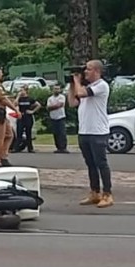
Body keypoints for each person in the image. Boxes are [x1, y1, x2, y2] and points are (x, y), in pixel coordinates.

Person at [68, 60, 113, 208]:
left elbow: (81, 94)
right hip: (85, 131)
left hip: (98, 132)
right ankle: (95, 192)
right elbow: (72, 103)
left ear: (97, 71)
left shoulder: (101, 85)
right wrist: (72, 84)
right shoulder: (86, 87)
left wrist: (77, 81)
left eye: (88, 69)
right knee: (90, 164)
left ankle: (107, 193)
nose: (85, 72)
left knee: (101, 163)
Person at [12, 85, 41, 153]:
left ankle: (30, 148)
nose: (21, 92)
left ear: (26, 91)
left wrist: (32, 111)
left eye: (22, 90)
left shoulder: (30, 99)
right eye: (20, 90)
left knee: (28, 133)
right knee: (19, 132)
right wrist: (18, 96)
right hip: (21, 116)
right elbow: (14, 104)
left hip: (28, 117)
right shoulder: (19, 99)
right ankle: (16, 148)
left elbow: (38, 105)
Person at [46, 84, 68, 153]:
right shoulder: (50, 98)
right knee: (55, 133)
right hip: (53, 118)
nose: (56, 90)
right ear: (53, 90)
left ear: (60, 90)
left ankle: (63, 148)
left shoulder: (62, 97)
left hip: (61, 117)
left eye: (58, 89)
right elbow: (48, 108)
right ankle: (58, 147)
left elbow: (60, 105)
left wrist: (52, 107)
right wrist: (55, 106)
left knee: (62, 133)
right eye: (55, 89)